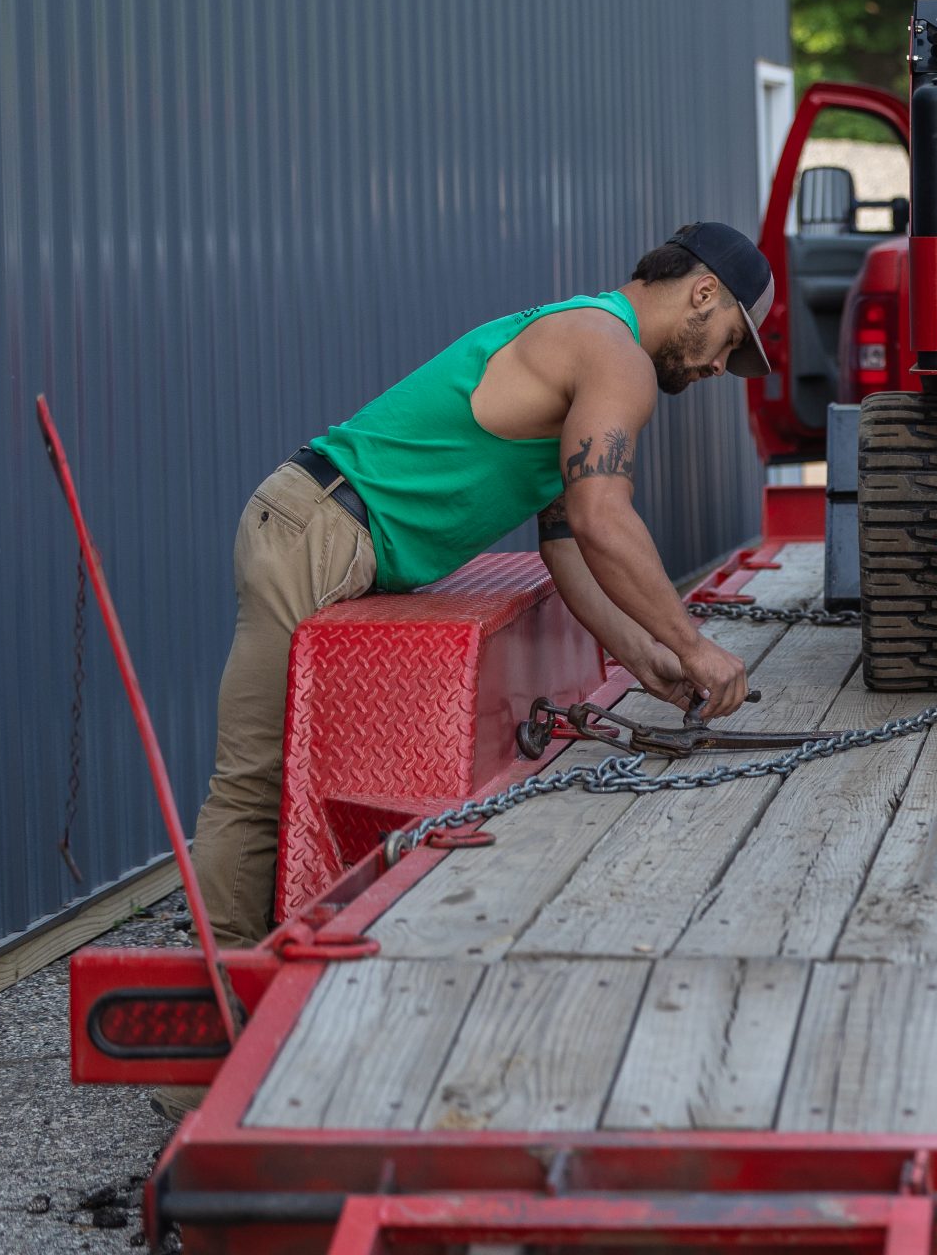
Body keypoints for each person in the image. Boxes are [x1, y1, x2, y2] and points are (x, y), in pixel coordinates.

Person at [188, 221, 775, 951]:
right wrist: (694, 647)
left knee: (294, 771)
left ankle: (261, 956)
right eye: (730, 339)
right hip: (318, 528)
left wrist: (643, 656)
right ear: (703, 291)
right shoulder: (613, 354)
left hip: (335, 536)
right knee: (254, 780)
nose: (722, 365)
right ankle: (218, 993)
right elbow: (602, 518)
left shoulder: (588, 341)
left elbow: (566, 545)